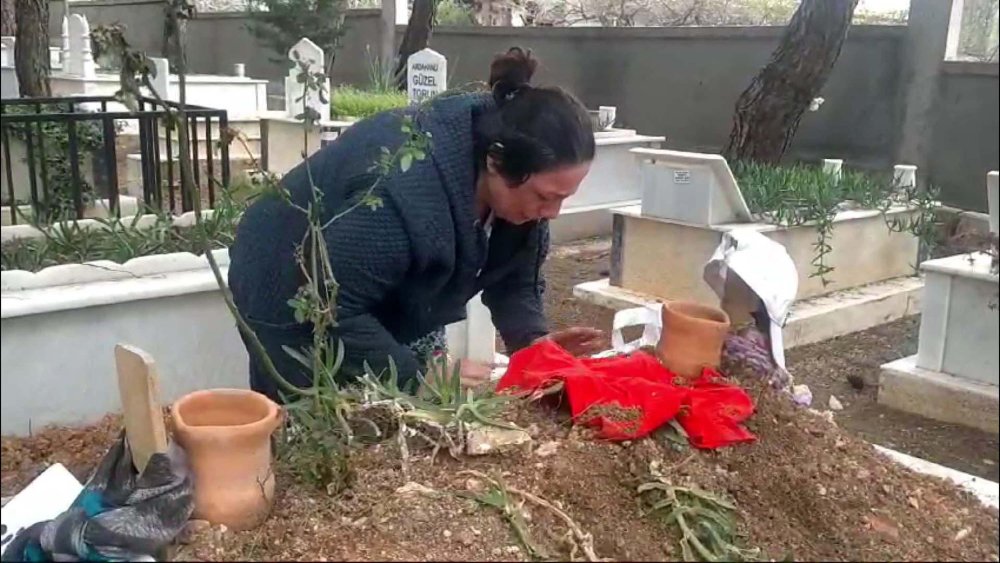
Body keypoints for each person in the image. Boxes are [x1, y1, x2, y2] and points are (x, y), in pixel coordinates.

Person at [227, 47, 604, 402]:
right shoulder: (404, 194)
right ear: (495, 163)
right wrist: (416, 375)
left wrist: (532, 344)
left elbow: (515, 276)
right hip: (284, 277)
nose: (552, 213)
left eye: (563, 198)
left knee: (403, 395)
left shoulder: (518, 172)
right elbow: (329, 305)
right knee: (315, 411)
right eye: (546, 197)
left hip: (371, 280)